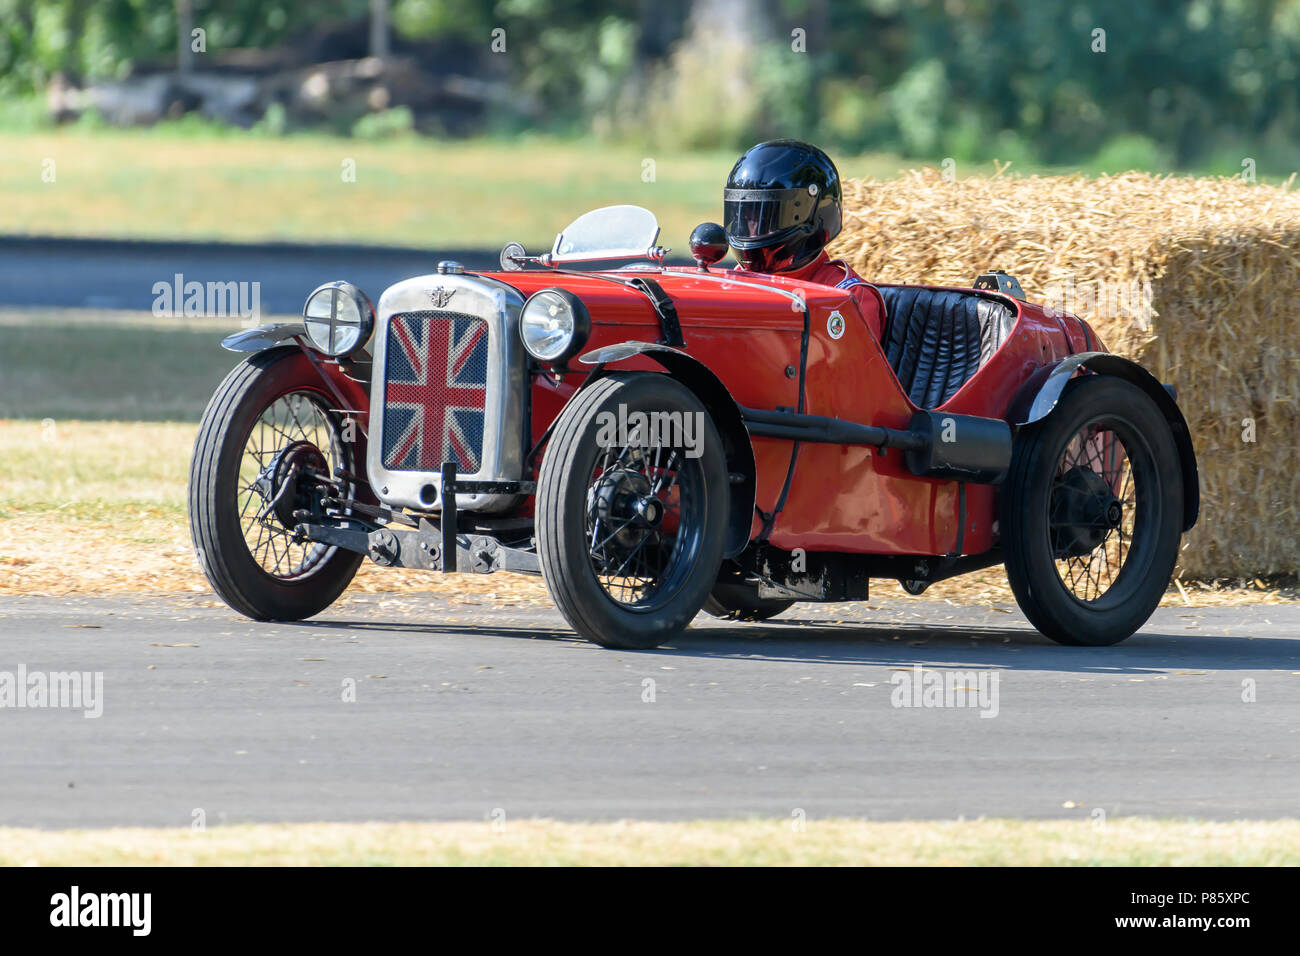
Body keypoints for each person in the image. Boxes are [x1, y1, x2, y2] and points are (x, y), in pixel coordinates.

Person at [723, 139, 883, 339]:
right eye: (745, 217)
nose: (752, 229)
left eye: (766, 218)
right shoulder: (732, 283)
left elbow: (849, 369)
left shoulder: (848, 297)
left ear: (812, 217)